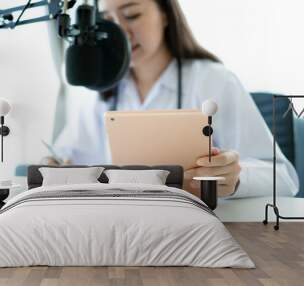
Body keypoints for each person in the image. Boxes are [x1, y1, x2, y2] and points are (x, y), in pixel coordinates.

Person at [47, 0, 299, 198]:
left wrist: (235, 179)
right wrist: (53, 165)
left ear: (166, 14)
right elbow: (65, 157)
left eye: (132, 15)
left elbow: (285, 179)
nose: (121, 33)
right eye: (108, 21)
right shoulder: (100, 93)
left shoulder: (213, 81)